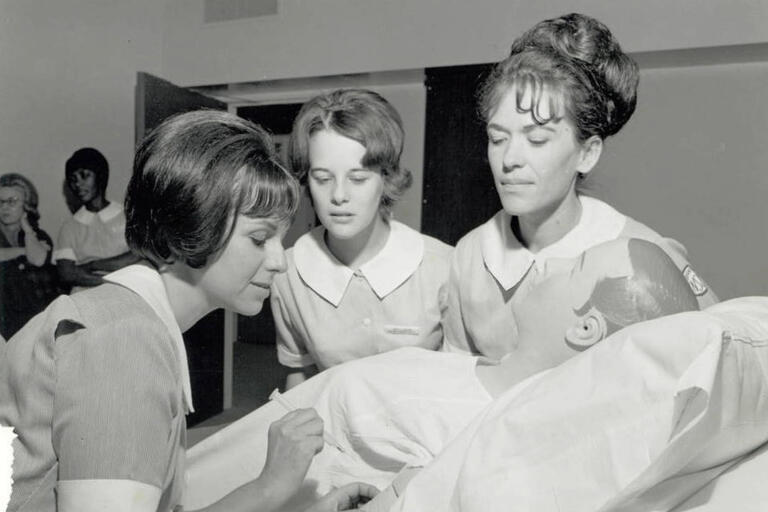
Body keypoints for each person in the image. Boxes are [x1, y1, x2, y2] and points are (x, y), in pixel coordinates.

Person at [0, 111, 375, 512]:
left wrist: (275, 492)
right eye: (260, 238)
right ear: (188, 228)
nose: (279, 262)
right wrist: (270, 488)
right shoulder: (124, 341)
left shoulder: (131, 319)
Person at [184, 237, 701, 510]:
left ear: (585, 328)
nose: (548, 264)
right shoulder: (476, 373)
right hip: (223, 462)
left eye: (575, 267)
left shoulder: (475, 437)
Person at [441, 12, 717, 360]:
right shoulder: (471, 256)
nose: (509, 159)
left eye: (537, 140)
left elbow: (714, 366)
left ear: (587, 154)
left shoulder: (644, 253)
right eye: (497, 138)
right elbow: (453, 384)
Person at [271, 89, 453, 388]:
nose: (339, 196)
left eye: (358, 178)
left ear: (387, 179)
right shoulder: (287, 273)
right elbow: (299, 374)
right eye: (323, 178)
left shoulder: (444, 267)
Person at [54, 147, 140, 292]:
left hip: (128, 293)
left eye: (84, 176)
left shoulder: (128, 216)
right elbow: (67, 274)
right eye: (73, 179)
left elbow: (137, 256)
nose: (78, 184)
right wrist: (111, 282)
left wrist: (92, 265)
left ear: (100, 176)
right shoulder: (69, 227)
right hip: (85, 295)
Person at [0, 173, 59, 339]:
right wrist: (22, 251)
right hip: (6, 325)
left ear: (26, 206)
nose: (4, 207)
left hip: (38, 320)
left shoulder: (37, 235)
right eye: (0, 202)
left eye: (12, 201)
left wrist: (27, 229)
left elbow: (38, 259)